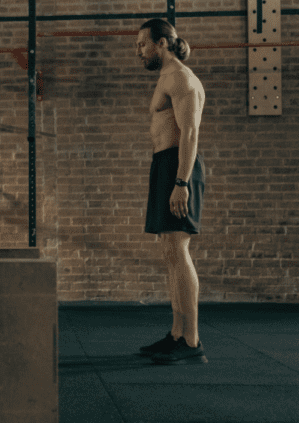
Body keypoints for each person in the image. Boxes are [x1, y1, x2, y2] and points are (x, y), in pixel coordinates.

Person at [133, 18, 208, 365]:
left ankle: (191, 341)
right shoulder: (167, 77)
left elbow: (190, 133)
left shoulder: (181, 78)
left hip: (179, 167)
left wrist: (181, 182)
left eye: (143, 45)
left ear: (162, 43)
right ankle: (177, 333)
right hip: (165, 164)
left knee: (178, 249)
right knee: (169, 251)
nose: (139, 52)